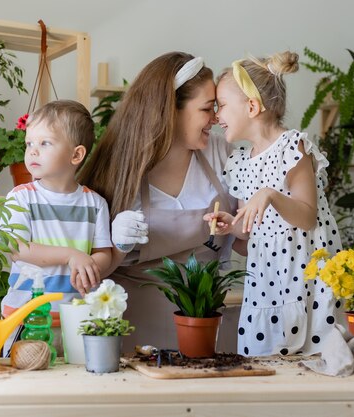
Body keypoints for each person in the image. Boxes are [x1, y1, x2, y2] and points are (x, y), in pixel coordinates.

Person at [79, 52, 239, 352]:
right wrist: (118, 241)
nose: (216, 118)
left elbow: (246, 236)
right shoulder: (119, 169)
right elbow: (87, 265)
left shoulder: (221, 154)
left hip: (203, 320)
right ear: (170, 111)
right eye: (207, 109)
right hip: (132, 327)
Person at [204, 51, 344, 356]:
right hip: (267, 284)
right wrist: (231, 225)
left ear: (252, 106)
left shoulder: (292, 148)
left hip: (307, 281)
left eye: (222, 106)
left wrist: (270, 194)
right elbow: (247, 235)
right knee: (267, 358)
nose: (216, 116)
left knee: (312, 358)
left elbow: (307, 217)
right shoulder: (241, 162)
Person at [1, 100, 113, 352]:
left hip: (77, 318)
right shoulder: (20, 197)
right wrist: (71, 255)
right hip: (25, 318)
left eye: (45, 143)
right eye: (29, 143)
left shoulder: (95, 204)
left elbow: (104, 253)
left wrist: (89, 265)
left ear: (76, 155)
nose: (32, 151)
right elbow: (16, 248)